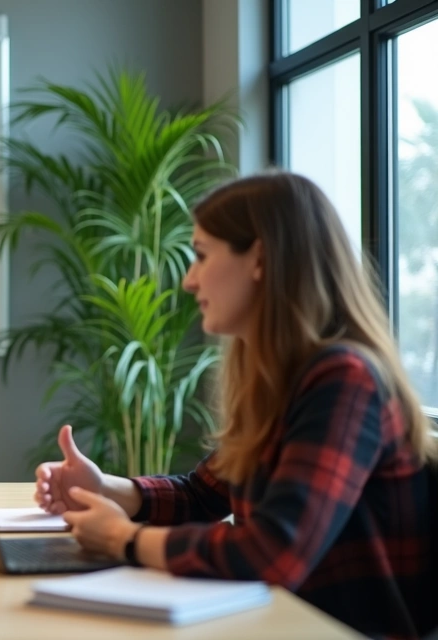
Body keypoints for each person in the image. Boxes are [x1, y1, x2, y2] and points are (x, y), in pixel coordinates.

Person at [33, 173, 437, 639]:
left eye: (202, 256)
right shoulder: (279, 378)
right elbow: (203, 495)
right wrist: (105, 488)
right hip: (280, 624)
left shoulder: (345, 378)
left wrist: (126, 539)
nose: (188, 280)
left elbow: (274, 552)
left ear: (260, 258)